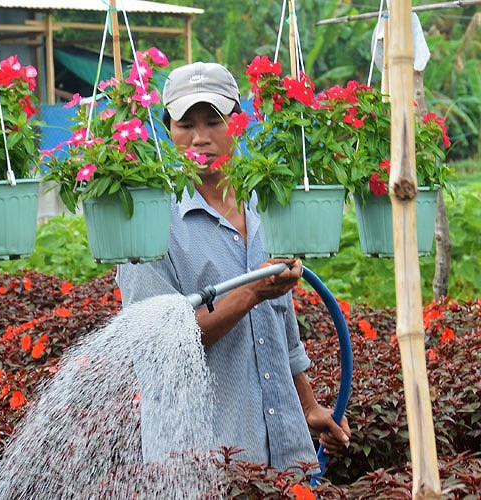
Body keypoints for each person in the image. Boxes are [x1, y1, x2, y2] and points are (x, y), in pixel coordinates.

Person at [116, 62, 351, 470]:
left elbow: (280, 322)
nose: (201, 138)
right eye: (185, 124)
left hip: (285, 458)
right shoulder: (147, 224)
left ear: (238, 123)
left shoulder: (266, 206)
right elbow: (159, 346)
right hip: (201, 466)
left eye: (214, 121)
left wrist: (310, 407)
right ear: (167, 128)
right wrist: (251, 293)